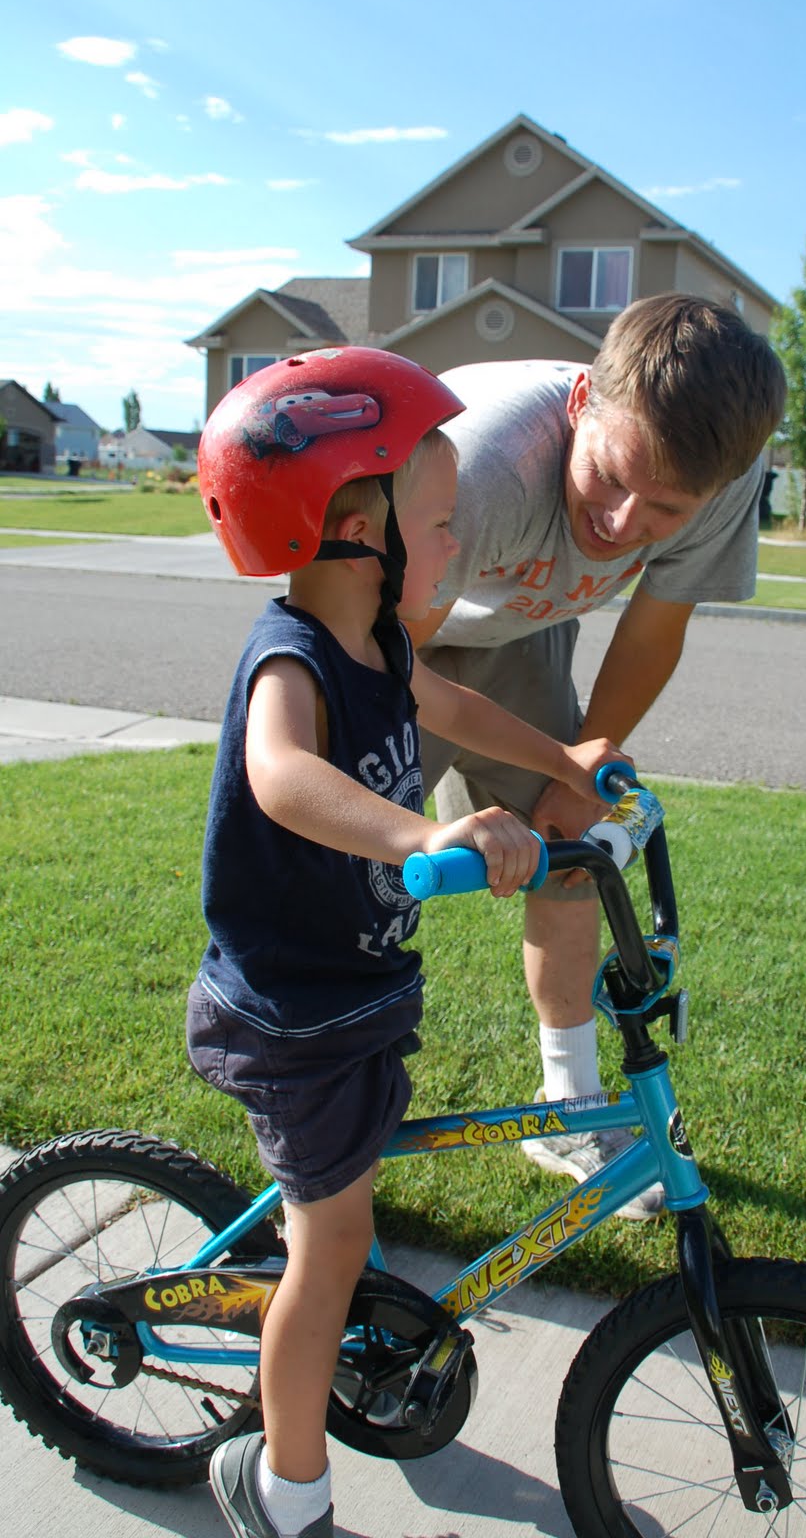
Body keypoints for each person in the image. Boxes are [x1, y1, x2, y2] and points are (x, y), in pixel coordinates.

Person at [186, 347, 626, 1538]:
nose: (460, 548)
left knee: (347, 1201)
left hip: (357, 990)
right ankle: (282, 1490)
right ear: (348, 531)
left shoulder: (383, 649)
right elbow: (281, 776)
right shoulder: (292, 656)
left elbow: (463, 708)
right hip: (291, 1012)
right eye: (440, 524)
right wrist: (416, 833)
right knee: (325, 1253)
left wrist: (560, 762)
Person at [407, 294, 787, 1220]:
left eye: (664, 507)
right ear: (581, 400)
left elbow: (656, 627)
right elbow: (382, 652)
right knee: (343, 866)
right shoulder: (483, 464)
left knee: (571, 858)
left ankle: (567, 1107)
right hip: (393, 646)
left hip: (517, 634)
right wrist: (408, 823)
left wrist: (580, 767)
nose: (620, 523)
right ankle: (307, 1097)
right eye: (610, 478)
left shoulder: (723, 470)